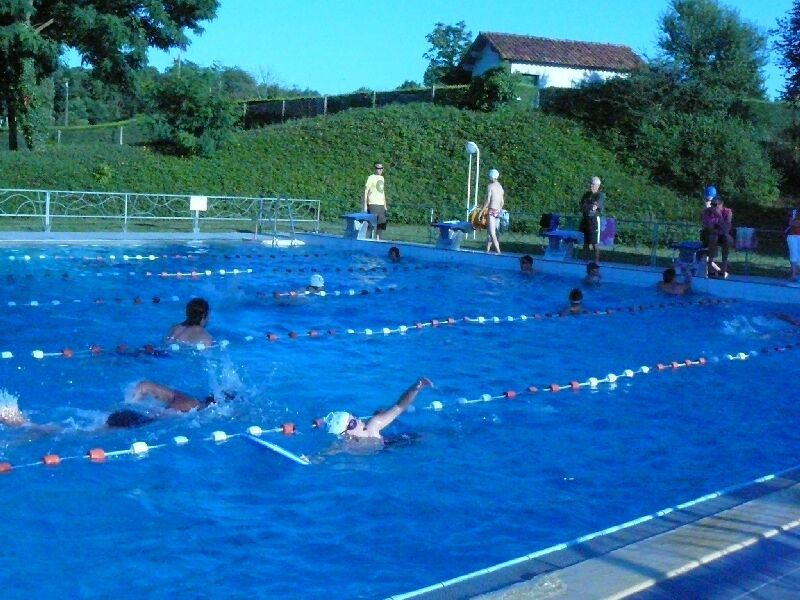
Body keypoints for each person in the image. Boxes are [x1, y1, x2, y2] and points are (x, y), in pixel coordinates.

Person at [0, 380, 224, 430]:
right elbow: (169, 417)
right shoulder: (196, 408)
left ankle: (25, 423)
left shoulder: (182, 396)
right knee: (80, 434)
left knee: (82, 427)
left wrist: (128, 402)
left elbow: (145, 385)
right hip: (137, 420)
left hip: (130, 411)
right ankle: (25, 424)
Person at [323, 377, 432, 442]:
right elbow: (328, 453)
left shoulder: (373, 426)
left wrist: (417, 387)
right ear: (346, 434)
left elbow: (399, 407)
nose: (359, 421)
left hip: (394, 444)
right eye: (353, 423)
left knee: (422, 437)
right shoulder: (347, 446)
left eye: (355, 418)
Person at [701, 196, 733, 278]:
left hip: (722, 234)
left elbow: (727, 228)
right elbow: (708, 227)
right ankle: (710, 267)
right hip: (709, 235)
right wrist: (718, 226)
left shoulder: (727, 212)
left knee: (727, 239)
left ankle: (724, 267)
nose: (713, 207)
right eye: (712, 204)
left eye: (715, 205)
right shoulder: (707, 212)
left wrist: (719, 216)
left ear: (721, 205)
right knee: (713, 237)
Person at [579, 176, 605, 263]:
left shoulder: (600, 195)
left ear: (598, 186)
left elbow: (594, 207)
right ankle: (584, 261)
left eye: (593, 184)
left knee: (594, 243)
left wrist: (588, 206)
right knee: (586, 243)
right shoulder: (586, 194)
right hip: (585, 220)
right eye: (591, 184)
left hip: (594, 221)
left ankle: (596, 263)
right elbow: (581, 207)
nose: (591, 186)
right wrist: (589, 206)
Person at [363, 162, 388, 240]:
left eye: (381, 168)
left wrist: (385, 205)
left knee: (381, 224)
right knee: (372, 224)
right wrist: (365, 205)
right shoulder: (371, 178)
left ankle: (378, 239)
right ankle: (370, 239)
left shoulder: (382, 178)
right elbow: (366, 191)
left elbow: (382, 192)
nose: (379, 170)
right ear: (375, 169)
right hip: (372, 203)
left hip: (381, 204)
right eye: (378, 168)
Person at [482, 168, 504, 254]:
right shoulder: (500, 187)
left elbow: (488, 201)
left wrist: (481, 212)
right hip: (498, 211)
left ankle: (499, 252)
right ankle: (487, 251)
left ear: (491, 177)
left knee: (492, 233)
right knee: (490, 232)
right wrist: (499, 209)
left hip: (491, 211)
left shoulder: (490, 186)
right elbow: (502, 202)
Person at [786, 209, 800, 281]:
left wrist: (796, 222)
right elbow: (791, 223)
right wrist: (796, 223)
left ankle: (796, 274)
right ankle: (793, 275)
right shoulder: (794, 212)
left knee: (799, 256)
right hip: (792, 236)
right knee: (794, 254)